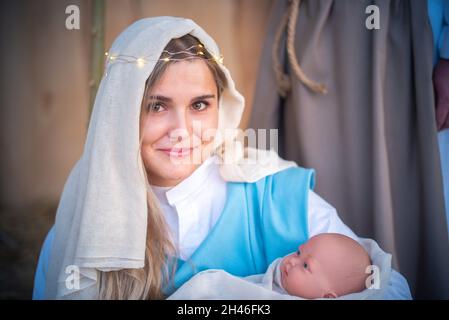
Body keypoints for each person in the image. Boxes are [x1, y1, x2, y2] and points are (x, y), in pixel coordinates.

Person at [32, 16, 411, 300]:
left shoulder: (272, 195)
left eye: (199, 104)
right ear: (121, 112)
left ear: (220, 107)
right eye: (156, 106)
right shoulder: (83, 226)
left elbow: (388, 285)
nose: (181, 129)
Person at [167, 233, 391, 300]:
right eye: (298, 251)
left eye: (305, 265)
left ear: (328, 297)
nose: (292, 260)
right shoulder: (267, 285)